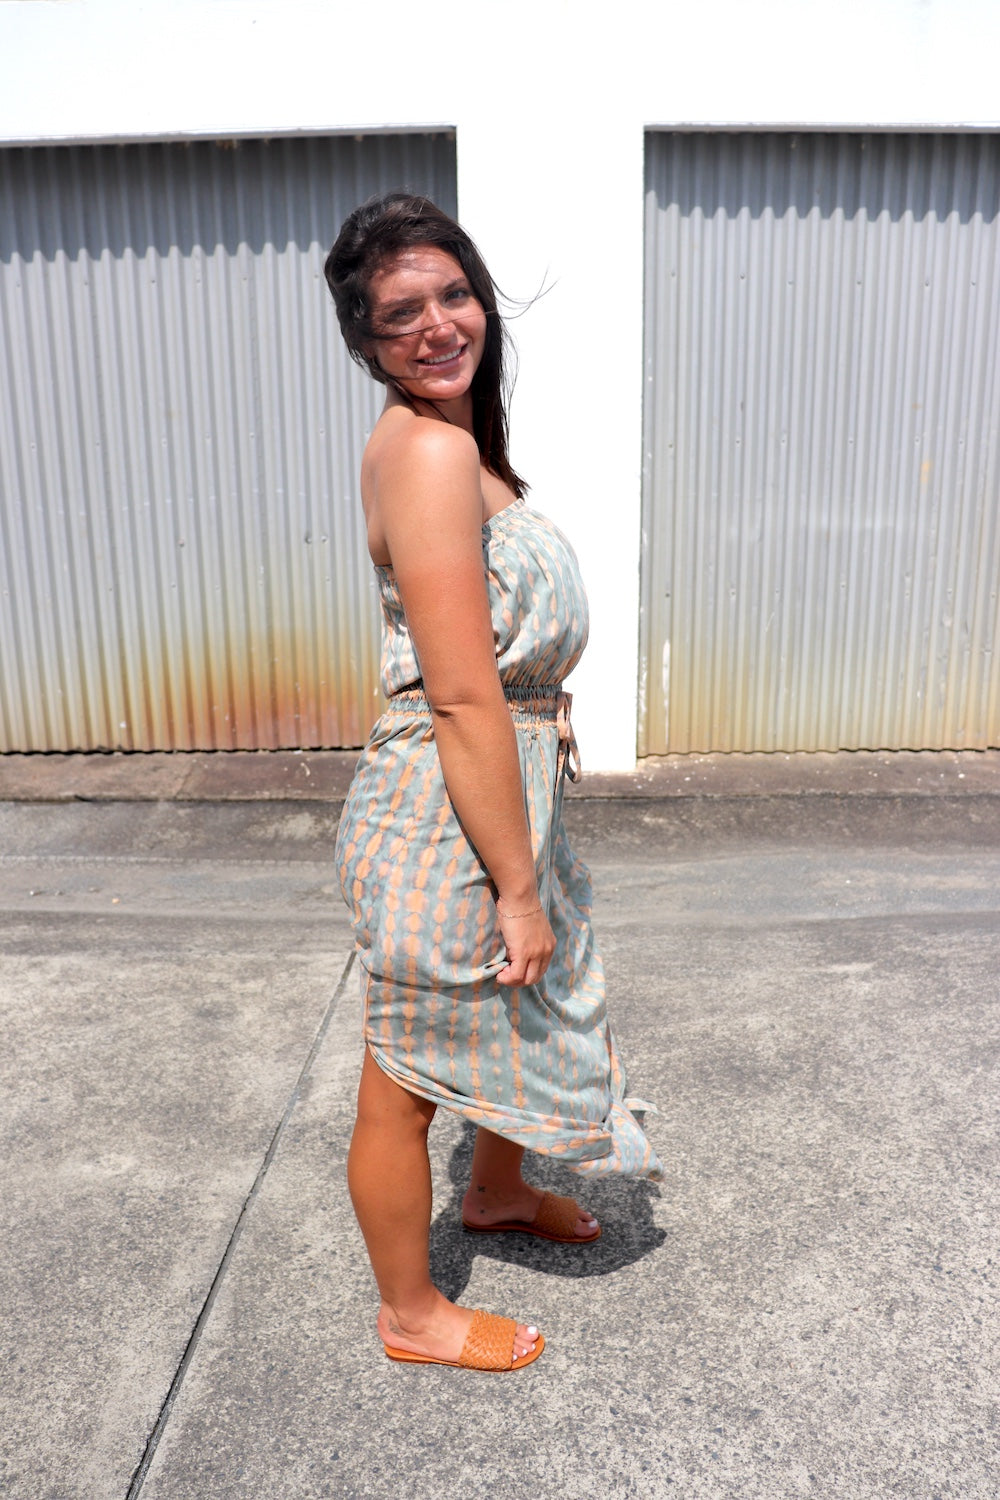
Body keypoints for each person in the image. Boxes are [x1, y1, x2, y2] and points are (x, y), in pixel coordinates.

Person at [324, 193, 662, 1373]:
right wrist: (515, 887)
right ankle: (411, 1314)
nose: (437, 326)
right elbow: (465, 697)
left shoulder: (454, 444)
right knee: (403, 1071)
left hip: (494, 790)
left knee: (516, 1005)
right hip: (442, 812)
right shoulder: (425, 452)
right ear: (365, 340)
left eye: (453, 295)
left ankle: (498, 1192)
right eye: (399, 314)